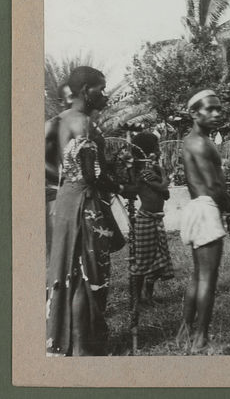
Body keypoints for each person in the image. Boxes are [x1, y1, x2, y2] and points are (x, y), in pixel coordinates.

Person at [46, 67, 127, 356]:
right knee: (87, 275)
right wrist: (121, 186)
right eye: (100, 89)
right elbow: (91, 175)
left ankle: (74, 344)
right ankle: (83, 348)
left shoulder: (57, 121)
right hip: (85, 204)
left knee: (69, 271)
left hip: (66, 203)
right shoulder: (85, 125)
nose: (103, 95)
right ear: (84, 91)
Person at [177, 88, 230, 352]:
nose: (217, 114)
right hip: (206, 208)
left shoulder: (191, 140)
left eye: (219, 109)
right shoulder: (202, 143)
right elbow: (214, 185)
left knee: (198, 276)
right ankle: (201, 338)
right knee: (208, 278)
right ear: (194, 113)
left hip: (197, 207)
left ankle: (185, 332)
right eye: (210, 109)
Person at [129, 132, 175, 306]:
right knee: (143, 261)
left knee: (157, 258)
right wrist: (163, 174)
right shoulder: (144, 172)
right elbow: (163, 186)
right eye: (156, 147)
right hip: (146, 220)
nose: (159, 149)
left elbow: (166, 194)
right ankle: (136, 298)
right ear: (148, 151)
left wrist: (160, 175)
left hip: (156, 219)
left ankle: (148, 296)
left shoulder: (152, 170)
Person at [44, 83, 74, 259]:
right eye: (71, 97)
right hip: (56, 195)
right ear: (60, 101)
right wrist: (64, 181)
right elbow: (41, 163)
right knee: (59, 250)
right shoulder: (53, 126)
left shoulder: (82, 126)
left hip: (78, 194)